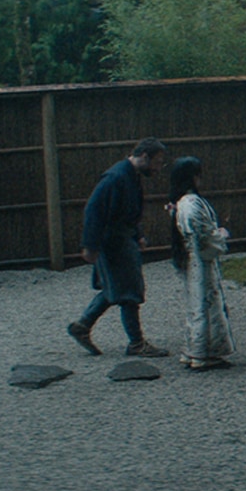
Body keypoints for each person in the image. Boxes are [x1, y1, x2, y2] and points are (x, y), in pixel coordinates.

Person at [67, 137, 169, 357]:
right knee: (130, 291)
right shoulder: (116, 177)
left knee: (114, 287)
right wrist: (90, 245)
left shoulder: (130, 175)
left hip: (122, 238)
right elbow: (93, 211)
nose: (159, 168)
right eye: (157, 162)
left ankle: (82, 326)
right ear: (144, 156)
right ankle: (136, 343)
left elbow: (130, 212)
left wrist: (138, 234)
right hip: (113, 242)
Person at [167, 156, 235, 370]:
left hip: (189, 259)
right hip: (200, 260)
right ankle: (204, 353)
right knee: (206, 304)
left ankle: (193, 349)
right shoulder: (192, 204)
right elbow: (204, 236)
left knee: (195, 304)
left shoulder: (179, 203)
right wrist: (221, 235)